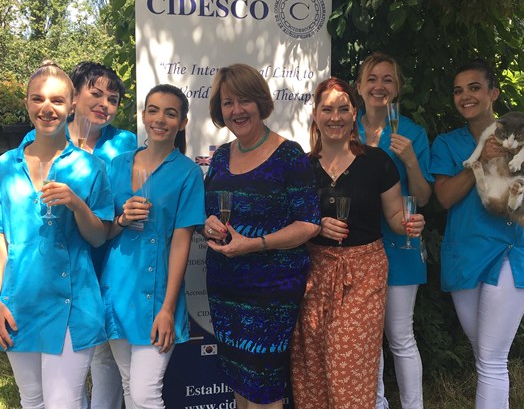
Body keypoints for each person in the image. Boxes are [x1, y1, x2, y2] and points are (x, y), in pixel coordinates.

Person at [290, 77, 425, 409]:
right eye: (327, 109)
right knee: (312, 365)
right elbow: (289, 222)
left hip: (364, 274)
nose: (335, 117)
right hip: (314, 273)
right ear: (315, 115)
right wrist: (315, 226)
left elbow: (395, 216)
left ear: (354, 114)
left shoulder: (377, 162)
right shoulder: (303, 168)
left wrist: (410, 223)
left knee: (350, 365)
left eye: (343, 109)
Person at [429, 59, 524, 408]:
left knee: (491, 360)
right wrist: (480, 160)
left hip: (510, 251)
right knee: (484, 355)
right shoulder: (447, 143)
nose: (465, 96)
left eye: (474, 88)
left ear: (493, 93)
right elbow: (444, 198)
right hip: (465, 256)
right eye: (458, 90)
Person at [202, 63, 320, 409]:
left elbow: (309, 223)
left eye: (244, 100)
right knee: (239, 382)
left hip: (272, 293)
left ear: (260, 102)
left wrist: (255, 244)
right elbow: (207, 214)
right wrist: (208, 225)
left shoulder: (289, 155)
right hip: (226, 287)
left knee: (264, 390)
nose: (236, 110)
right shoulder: (221, 157)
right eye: (228, 103)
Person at [23, 61, 138, 409]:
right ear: (74, 97)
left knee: (105, 356)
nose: (105, 104)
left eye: (113, 99)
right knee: (65, 367)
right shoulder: (40, 139)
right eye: (96, 94)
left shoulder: (124, 143)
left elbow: (125, 200)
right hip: (60, 269)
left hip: (110, 257)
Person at [0, 61, 114, 407]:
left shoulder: (90, 167)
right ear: (27, 102)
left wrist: (77, 204)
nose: (46, 108)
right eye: (38, 99)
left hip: (72, 304)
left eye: (57, 100)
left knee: (63, 402)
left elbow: (99, 237)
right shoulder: (5, 166)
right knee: (31, 401)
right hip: (19, 303)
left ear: (72, 105)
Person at [100, 84, 205, 408]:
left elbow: (182, 242)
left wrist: (168, 309)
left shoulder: (188, 173)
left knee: (145, 393)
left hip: (157, 296)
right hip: (117, 291)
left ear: (182, 123)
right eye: (154, 110)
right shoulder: (117, 165)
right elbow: (103, 232)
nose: (160, 119)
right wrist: (121, 219)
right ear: (144, 115)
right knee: (129, 387)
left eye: (170, 113)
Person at [355, 52, 433, 409]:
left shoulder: (412, 133)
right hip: (356, 245)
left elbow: (424, 197)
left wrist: (411, 161)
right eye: (372, 79)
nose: (379, 86)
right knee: (368, 338)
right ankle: (377, 404)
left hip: (401, 243)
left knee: (400, 336)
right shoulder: (346, 127)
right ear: (359, 87)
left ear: (397, 88)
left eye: (387, 79)